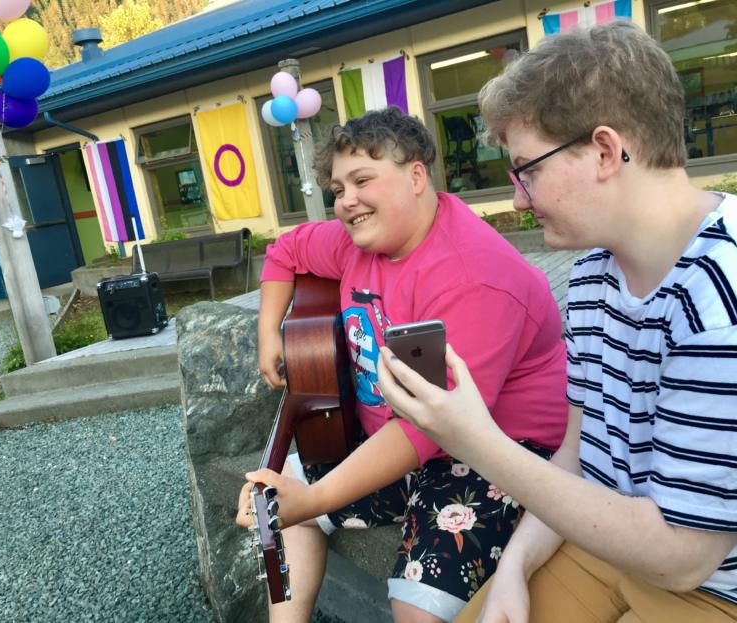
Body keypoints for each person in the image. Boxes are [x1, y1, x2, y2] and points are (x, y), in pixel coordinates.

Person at [377, 21, 737, 623]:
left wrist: (475, 441)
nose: (519, 199)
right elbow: (579, 453)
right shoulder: (594, 275)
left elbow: (682, 557)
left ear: (605, 151)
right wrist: (514, 571)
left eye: (526, 169)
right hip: (610, 544)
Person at [236, 106, 568, 623]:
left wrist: (318, 498)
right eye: (338, 189)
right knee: (280, 501)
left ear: (416, 175)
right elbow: (284, 251)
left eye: (362, 180)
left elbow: (428, 427)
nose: (346, 202)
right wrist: (268, 334)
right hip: (401, 432)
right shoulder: (359, 243)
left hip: (496, 450)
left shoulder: (470, 277)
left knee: (417, 609)